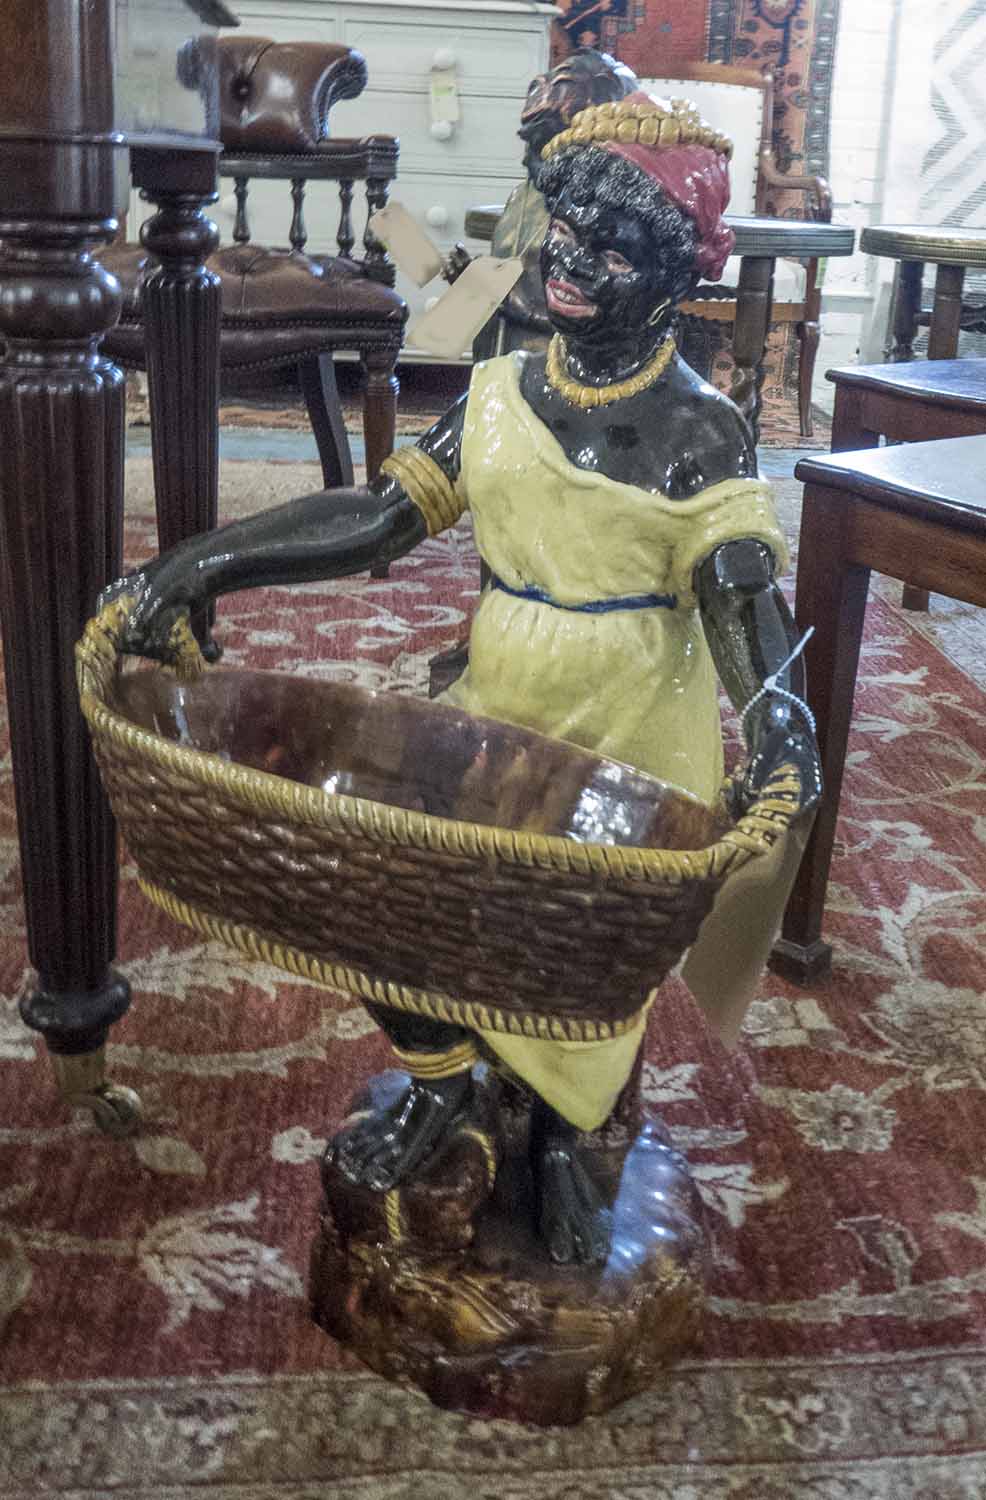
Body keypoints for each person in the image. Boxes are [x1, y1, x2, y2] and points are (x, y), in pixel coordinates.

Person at [112, 92, 821, 1267]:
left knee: (588, 948)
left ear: (679, 272)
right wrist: (204, 561)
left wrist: (782, 732)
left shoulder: (701, 433)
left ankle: (562, 1133)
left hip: (632, 727)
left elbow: (743, 596)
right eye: (561, 227)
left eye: (613, 246)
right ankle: (445, 1077)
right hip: (500, 705)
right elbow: (377, 519)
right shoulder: (497, 397)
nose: (569, 262)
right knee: (398, 895)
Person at [443, 47, 638, 359]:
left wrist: (500, 300)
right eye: (532, 146)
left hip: (561, 375)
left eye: (543, 147)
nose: (529, 160)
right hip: (501, 363)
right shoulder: (525, 197)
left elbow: (600, 323)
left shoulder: (612, 221)